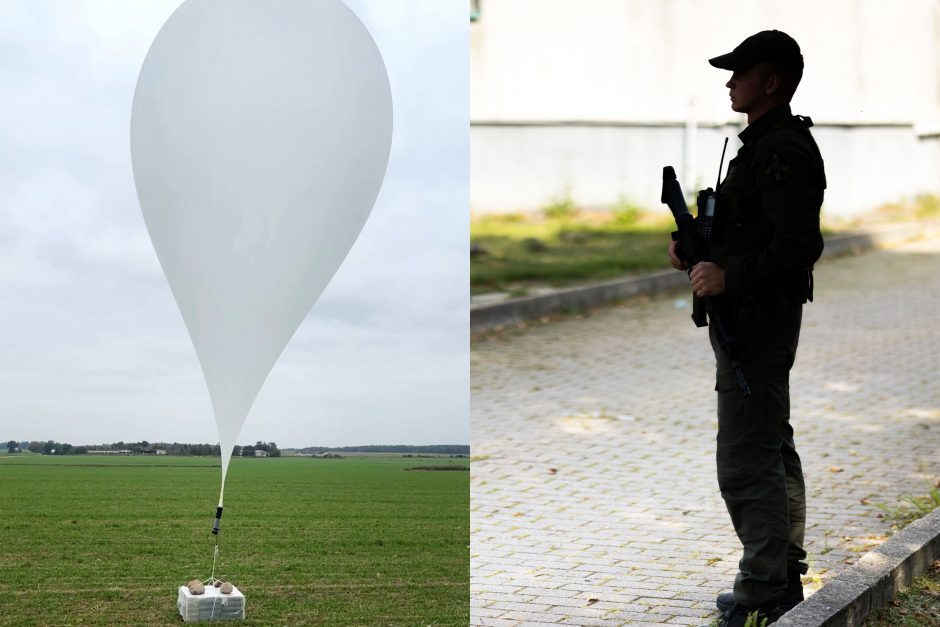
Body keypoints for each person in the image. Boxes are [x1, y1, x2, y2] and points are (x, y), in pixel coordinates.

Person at [667, 30, 826, 627]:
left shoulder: (781, 150)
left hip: (757, 321)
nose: (729, 81)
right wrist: (695, 248)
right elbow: (750, 229)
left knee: (744, 456)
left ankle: (765, 590)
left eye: (740, 72)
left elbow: (797, 246)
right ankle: (778, 575)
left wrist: (729, 279)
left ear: (773, 81)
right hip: (753, 319)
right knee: (770, 444)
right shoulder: (761, 145)